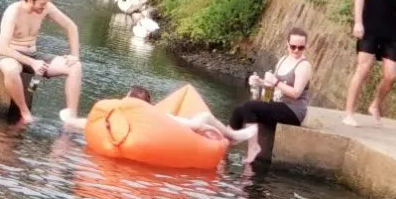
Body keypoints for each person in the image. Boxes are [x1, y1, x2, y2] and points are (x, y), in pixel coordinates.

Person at [0, 0, 82, 126]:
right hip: (9, 54)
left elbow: (71, 27)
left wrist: (74, 55)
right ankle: (25, 112)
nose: (44, 7)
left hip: (33, 55)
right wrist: (33, 63)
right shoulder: (13, 12)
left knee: (75, 66)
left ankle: (71, 118)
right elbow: (3, 47)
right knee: (11, 69)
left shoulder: (47, 7)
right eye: (42, 4)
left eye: (46, 4)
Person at [60, 84, 257, 144]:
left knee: (201, 121)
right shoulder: (153, 116)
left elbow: (88, 123)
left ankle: (232, 135)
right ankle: (232, 135)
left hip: (151, 131)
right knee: (203, 118)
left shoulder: (120, 114)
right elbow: (191, 125)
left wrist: (69, 119)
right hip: (164, 130)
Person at [229, 28, 312, 163]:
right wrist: (260, 82)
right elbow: (273, 85)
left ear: (305, 46)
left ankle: (251, 146)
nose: (296, 50)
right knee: (240, 109)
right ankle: (228, 140)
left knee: (249, 107)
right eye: (293, 47)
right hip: (279, 104)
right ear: (287, 44)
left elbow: (296, 93)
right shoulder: (283, 60)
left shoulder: (304, 66)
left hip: (293, 111)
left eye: (301, 47)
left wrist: (276, 82)